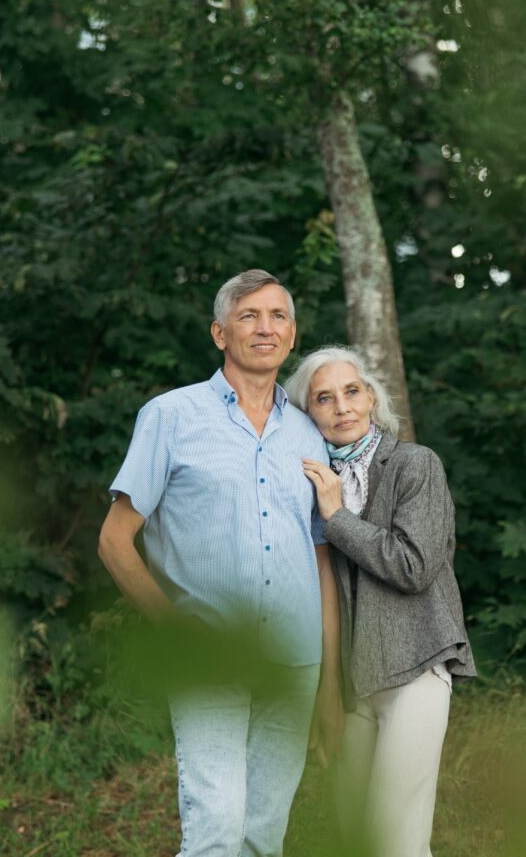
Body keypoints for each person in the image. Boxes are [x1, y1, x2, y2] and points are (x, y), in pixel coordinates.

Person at [98, 270, 341, 857]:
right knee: (215, 832)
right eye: (248, 316)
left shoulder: (309, 434)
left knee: (263, 837)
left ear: (292, 335)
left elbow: (321, 561)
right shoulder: (171, 416)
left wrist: (330, 684)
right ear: (220, 334)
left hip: (294, 662)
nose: (265, 328)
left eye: (278, 316)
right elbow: (113, 541)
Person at [285, 345, 476, 857]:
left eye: (351, 391)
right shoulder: (309, 481)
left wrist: (338, 517)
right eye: (324, 398)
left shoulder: (415, 464)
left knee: (397, 841)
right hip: (350, 681)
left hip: (414, 666)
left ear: (371, 397)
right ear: (308, 414)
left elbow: (414, 566)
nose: (342, 407)